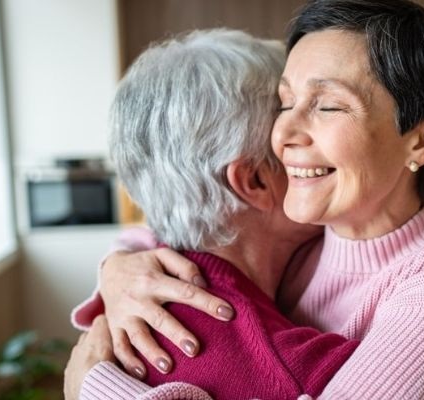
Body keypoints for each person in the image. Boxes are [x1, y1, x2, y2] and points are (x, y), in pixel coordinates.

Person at [77, 0, 424, 398]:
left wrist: (94, 388)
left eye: (328, 105)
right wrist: (118, 269)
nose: (284, 133)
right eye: (285, 103)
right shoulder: (305, 234)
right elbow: (190, 226)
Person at [64, 29, 361, 400]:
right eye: (290, 117)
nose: (325, 143)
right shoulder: (306, 372)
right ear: (254, 181)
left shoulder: (124, 304)